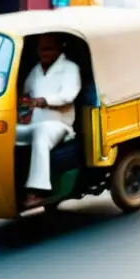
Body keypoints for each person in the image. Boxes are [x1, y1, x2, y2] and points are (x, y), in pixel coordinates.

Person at [15, 34, 83, 208]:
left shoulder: (70, 68)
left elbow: (68, 96)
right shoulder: (36, 70)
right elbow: (25, 91)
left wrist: (43, 101)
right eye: (40, 49)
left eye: (48, 49)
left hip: (59, 126)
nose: (42, 53)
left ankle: (38, 190)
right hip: (33, 124)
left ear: (59, 49)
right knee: (5, 132)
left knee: (42, 132)